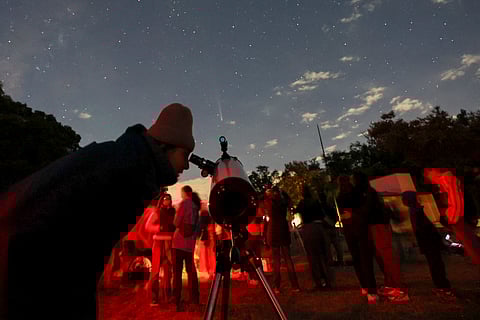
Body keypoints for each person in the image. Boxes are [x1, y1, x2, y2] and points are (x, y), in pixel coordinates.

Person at [0, 103, 195, 320]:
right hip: (28, 272)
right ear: (166, 145)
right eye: (184, 154)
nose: (186, 166)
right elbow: (77, 257)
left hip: (25, 261)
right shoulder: (130, 173)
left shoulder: (127, 160)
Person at [401, 191, 455, 300]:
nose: (402, 201)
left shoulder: (416, 211)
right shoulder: (417, 209)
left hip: (429, 241)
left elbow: (420, 228)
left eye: (404, 198)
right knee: (435, 264)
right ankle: (442, 286)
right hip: (430, 240)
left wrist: (420, 239)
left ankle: (443, 287)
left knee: (435, 264)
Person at [336, 174, 378, 304]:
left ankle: (364, 286)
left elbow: (342, 213)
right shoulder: (358, 193)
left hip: (349, 228)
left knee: (357, 258)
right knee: (365, 258)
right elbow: (365, 209)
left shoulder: (339, 197)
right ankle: (371, 290)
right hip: (360, 227)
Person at [297, 185, 335, 291]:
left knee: (313, 257)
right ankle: (328, 281)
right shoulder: (315, 202)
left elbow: (296, 211)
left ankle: (318, 281)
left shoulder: (302, 203)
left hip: (308, 229)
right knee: (323, 255)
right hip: (319, 228)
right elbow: (322, 215)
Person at [264, 186, 301, 294]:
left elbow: (264, 197)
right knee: (288, 259)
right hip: (283, 230)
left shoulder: (269, 203)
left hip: (273, 231)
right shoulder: (283, 203)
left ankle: (276, 286)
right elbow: (289, 201)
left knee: (276, 261)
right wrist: (283, 192)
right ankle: (295, 285)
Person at [171, 186, 201, 311]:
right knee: (191, 271)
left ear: (185, 193)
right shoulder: (196, 206)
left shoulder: (184, 204)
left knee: (177, 272)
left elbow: (176, 222)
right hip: (190, 244)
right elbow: (198, 228)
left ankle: (176, 300)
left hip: (179, 242)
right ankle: (194, 298)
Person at [145, 192, 176, 306]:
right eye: (165, 198)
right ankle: (154, 298)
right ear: (162, 200)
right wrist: (159, 228)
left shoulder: (173, 212)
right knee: (156, 271)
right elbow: (148, 226)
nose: (167, 200)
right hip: (158, 242)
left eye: (169, 198)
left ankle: (168, 296)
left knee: (168, 271)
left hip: (169, 242)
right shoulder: (157, 212)